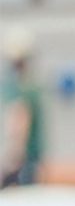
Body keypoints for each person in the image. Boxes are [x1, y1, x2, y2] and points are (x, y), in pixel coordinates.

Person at [1, 31, 44, 188]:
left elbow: (18, 124)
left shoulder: (19, 89)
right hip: (32, 161)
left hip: (22, 162)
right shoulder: (32, 87)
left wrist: (11, 161)